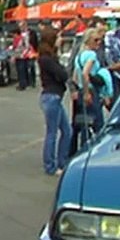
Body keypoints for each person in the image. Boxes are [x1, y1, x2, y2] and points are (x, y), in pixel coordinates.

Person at [37, 30, 72, 176]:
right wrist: (63, 72)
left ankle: (62, 161)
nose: (61, 39)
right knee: (52, 132)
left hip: (55, 96)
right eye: (58, 37)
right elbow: (62, 74)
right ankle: (50, 165)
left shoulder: (51, 57)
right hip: (51, 97)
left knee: (67, 131)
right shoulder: (46, 59)